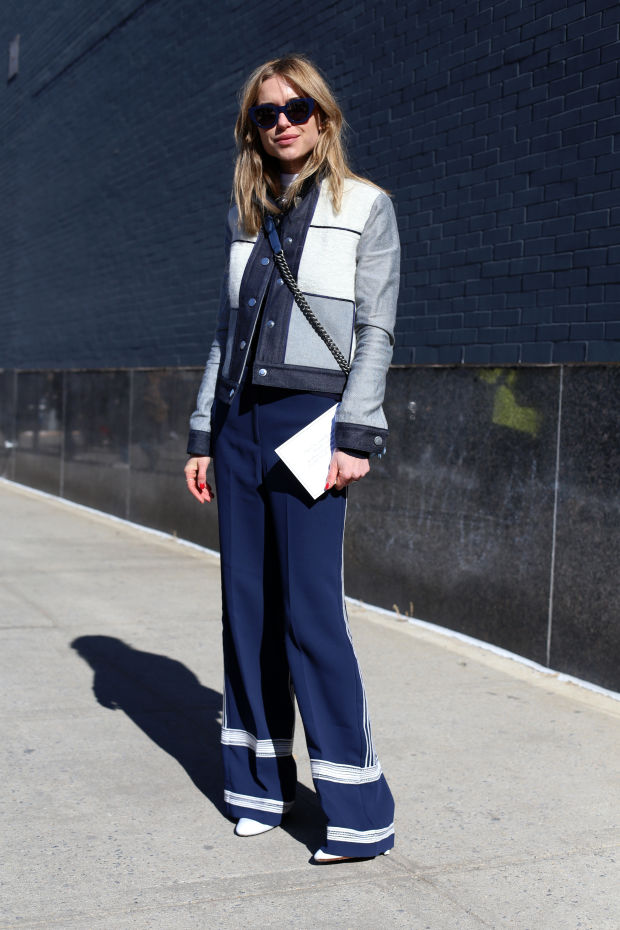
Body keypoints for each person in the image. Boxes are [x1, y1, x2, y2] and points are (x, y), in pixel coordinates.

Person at [184, 55, 400, 864]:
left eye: (297, 107)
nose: (282, 122)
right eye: (266, 113)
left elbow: (376, 329)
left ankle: (359, 814)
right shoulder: (244, 214)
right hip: (239, 423)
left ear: (323, 115)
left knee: (311, 615)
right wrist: (203, 433)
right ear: (252, 127)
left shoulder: (366, 205)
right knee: (246, 609)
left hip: (313, 422)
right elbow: (223, 333)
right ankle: (256, 788)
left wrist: (356, 433)